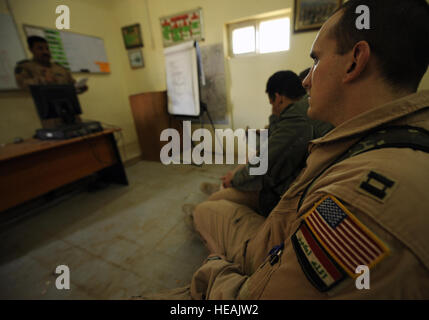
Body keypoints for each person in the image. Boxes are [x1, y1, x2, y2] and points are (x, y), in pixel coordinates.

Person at [145, 0, 429, 299]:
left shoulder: (359, 203)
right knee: (230, 190)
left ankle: (212, 225)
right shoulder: (390, 137)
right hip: (287, 211)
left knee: (211, 207)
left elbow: (253, 299)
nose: (306, 79)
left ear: (354, 61)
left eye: (316, 60)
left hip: (275, 231)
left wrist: (212, 272)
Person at [198, 70, 332, 217]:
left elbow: (263, 162)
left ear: (278, 98)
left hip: (288, 192)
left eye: (271, 102)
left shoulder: (296, 118)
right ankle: (224, 186)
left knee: (213, 202)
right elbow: (272, 141)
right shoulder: (303, 107)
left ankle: (218, 194)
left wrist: (235, 179)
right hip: (294, 178)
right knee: (250, 161)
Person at [14, 36, 88, 93]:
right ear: (31, 50)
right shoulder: (25, 67)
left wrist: (80, 88)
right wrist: (44, 80)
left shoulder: (59, 68)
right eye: (40, 48)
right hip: (45, 108)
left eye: (47, 48)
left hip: (69, 106)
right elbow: (23, 86)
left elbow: (72, 85)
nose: (45, 52)